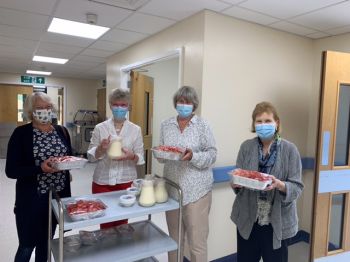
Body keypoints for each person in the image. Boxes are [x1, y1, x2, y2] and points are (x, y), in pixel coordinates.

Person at [230, 101, 304, 262]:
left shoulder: (290, 150)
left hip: (277, 223)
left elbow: (297, 187)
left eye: (268, 121)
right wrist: (236, 183)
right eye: (259, 121)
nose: (263, 125)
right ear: (254, 124)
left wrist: (280, 185)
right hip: (248, 220)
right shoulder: (246, 147)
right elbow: (239, 178)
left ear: (276, 123)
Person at [5, 92, 72, 262]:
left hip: (56, 198)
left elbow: (69, 157)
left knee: (46, 243)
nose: (44, 111)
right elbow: (11, 170)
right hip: (31, 200)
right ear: (30, 111)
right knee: (27, 245)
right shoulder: (21, 134)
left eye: (48, 107)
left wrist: (67, 167)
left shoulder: (62, 131)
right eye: (39, 108)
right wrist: (39, 168)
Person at [158, 86, 217, 262]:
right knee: (174, 241)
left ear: (194, 105)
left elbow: (212, 154)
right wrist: (160, 153)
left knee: (197, 244)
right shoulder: (166, 125)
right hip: (172, 191)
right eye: (180, 101)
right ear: (175, 103)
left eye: (187, 102)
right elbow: (162, 155)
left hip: (197, 193)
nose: (183, 105)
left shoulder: (203, 125)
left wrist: (193, 156)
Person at [87, 88, 144, 229]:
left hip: (126, 182)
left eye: (123, 105)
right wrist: (100, 149)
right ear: (110, 105)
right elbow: (91, 156)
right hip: (102, 182)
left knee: (122, 222)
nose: (119, 108)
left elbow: (141, 157)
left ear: (128, 107)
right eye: (116, 105)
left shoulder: (135, 129)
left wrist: (132, 156)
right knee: (105, 221)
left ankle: (121, 249)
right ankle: (107, 250)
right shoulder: (101, 128)